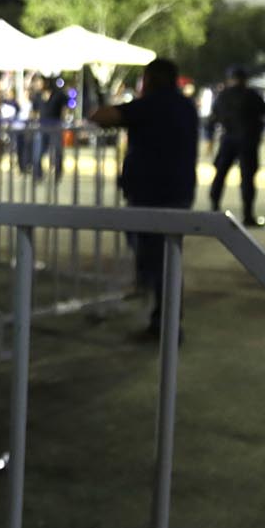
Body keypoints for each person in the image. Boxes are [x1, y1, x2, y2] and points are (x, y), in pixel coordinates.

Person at [90, 58, 198, 339]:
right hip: (177, 191)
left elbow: (102, 116)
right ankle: (160, 310)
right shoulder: (185, 106)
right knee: (166, 256)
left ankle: (165, 324)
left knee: (160, 260)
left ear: (150, 79)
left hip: (153, 194)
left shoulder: (152, 105)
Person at [206, 65, 265, 227]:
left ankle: (214, 209)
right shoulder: (251, 95)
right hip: (248, 141)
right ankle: (248, 215)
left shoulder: (223, 96)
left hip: (228, 140)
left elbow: (212, 119)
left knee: (220, 174)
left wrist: (210, 139)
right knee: (247, 178)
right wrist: (258, 130)